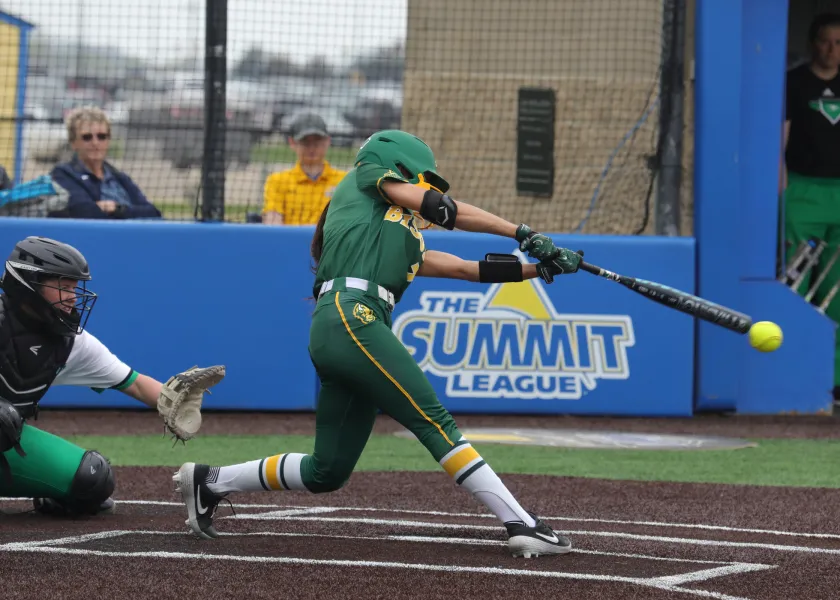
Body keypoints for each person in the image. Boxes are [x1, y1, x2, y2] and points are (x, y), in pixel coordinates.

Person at [174, 130, 581, 558]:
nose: (426, 188)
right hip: (354, 316)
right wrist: (521, 231)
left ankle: (211, 480)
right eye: (422, 178)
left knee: (326, 470)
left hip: (345, 326)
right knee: (434, 420)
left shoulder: (390, 228)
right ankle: (521, 523)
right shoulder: (365, 176)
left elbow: (464, 269)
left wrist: (542, 270)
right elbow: (442, 209)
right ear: (400, 161)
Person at [0, 236, 223, 516]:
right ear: (28, 284)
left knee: (93, 480)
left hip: (7, 443)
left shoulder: (70, 343)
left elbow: (137, 385)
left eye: (74, 287)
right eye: (63, 286)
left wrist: (177, 401)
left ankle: (50, 494)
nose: (72, 296)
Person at [782, 13, 840, 393]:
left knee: (835, 291)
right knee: (797, 282)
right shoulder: (793, 82)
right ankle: (792, 375)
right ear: (812, 43)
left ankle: (834, 381)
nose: (832, 50)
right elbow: (779, 140)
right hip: (803, 193)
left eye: (839, 43)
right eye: (825, 41)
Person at [49, 106, 161, 220]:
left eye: (101, 136)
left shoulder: (120, 178)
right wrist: (129, 212)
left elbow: (153, 212)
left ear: (108, 140)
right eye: (87, 137)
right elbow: (85, 211)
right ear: (73, 143)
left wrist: (117, 209)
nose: (95, 143)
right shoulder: (63, 175)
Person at [261, 113, 347, 225]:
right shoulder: (277, 181)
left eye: (317, 141)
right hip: (291, 241)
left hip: (329, 242)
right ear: (292, 142)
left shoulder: (344, 181)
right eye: (305, 142)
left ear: (327, 141)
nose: (311, 148)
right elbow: (273, 221)